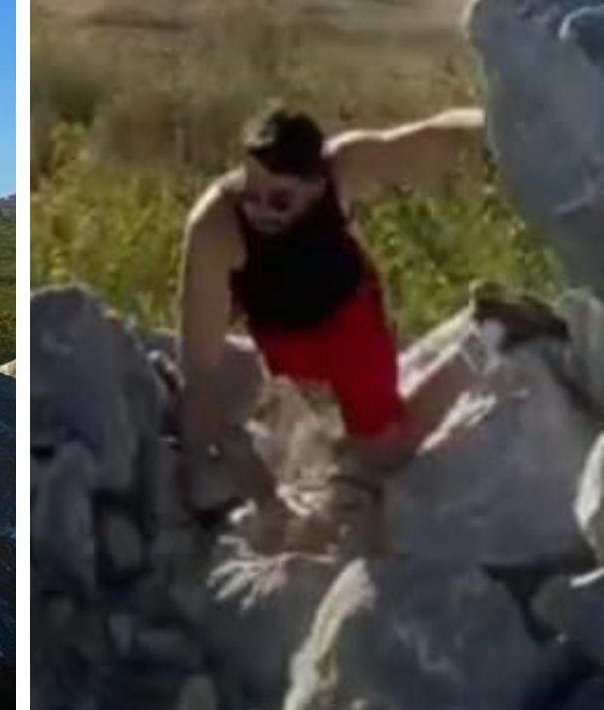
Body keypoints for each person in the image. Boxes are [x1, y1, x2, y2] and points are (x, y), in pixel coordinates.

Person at [176, 103, 548, 518]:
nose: (260, 210)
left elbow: (434, 138)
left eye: (280, 200)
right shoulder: (216, 227)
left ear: (316, 185)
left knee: (388, 451)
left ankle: (489, 333)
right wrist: (196, 468)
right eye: (250, 194)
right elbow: (199, 366)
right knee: (319, 438)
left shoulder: (344, 168)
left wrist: (509, 118)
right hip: (280, 332)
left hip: (350, 317)